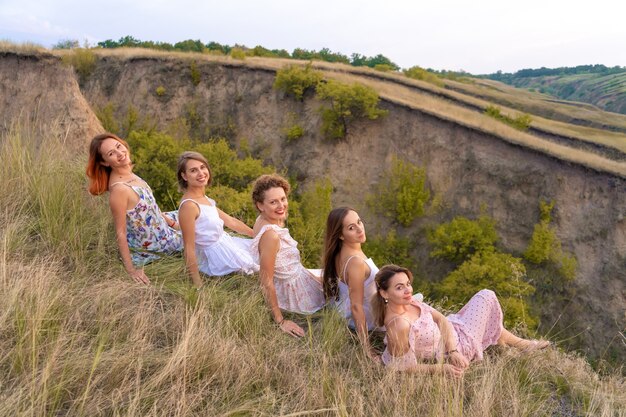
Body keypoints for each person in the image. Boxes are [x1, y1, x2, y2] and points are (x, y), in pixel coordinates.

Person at [373, 264, 550, 376]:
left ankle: (520, 344)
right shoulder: (399, 325)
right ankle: (521, 344)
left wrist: (452, 350)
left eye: (408, 284)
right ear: (384, 293)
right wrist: (443, 368)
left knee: (486, 312)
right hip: (459, 346)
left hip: (453, 336)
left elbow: (441, 319)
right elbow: (404, 367)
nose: (408, 290)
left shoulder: (409, 301)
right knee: (486, 295)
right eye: (399, 287)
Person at [322, 207, 422, 357]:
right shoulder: (355, 262)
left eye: (359, 222)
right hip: (371, 318)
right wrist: (366, 347)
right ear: (341, 235)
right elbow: (356, 306)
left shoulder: (344, 251)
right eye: (351, 228)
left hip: (362, 308)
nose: (359, 229)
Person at [86, 133, 182, 284]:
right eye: (111, 153)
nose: (120, 153)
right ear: (104, 162)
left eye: (118, 146)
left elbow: (151, 209)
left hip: (163, 226)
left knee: (200, 209)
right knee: (202, 228)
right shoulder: (120, 190)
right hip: (158, 243)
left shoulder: (128, 173)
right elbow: (121, 233)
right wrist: (131, 270)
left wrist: (172, 223)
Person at [250, 174, 325, 338]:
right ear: (260, 205)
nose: (281, 205)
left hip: (299, 277)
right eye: (273, 202)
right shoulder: (271, 236)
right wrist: (280, 321)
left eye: (283, 199)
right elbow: (266, 280)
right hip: (294, 294)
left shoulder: (264, 220)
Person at [177, 151, 258, 288]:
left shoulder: (204, 199)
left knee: (266, 252)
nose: (201, 173)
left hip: (227, 243)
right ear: (184, 176)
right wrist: (198, 285)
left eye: (203, 167)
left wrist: (257, 235)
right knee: (261, 271)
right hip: (217, 257)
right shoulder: (189, 206)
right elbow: (189, 248)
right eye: (193, 170)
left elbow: (231, 222)